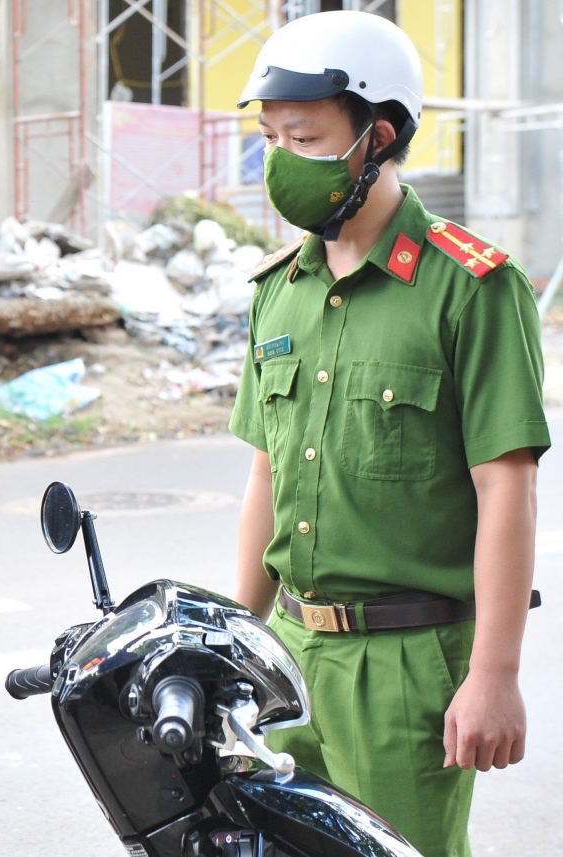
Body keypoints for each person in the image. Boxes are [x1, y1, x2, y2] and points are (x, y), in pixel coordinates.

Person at [228, 11, 550, 857]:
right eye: (270, 137)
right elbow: (266, 472)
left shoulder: (472, 288)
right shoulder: (279, 290)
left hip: (406, 663)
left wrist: (495, 675)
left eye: (303, 136)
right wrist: (237, 638)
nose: (280, 160)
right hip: (289, 655)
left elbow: (506, 489)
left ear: (378, 134)